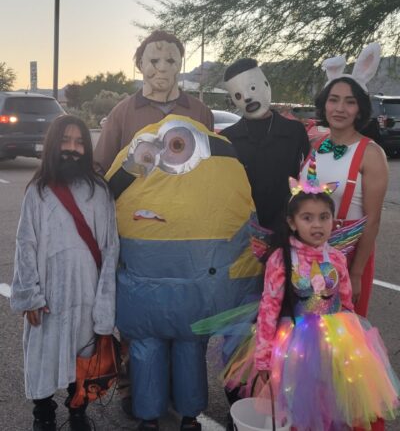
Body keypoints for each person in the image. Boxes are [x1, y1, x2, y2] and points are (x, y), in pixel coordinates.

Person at [106, 115, 263, 431]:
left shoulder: (134, 156)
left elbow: (106, 206)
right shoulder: (221, 155)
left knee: (146, 347)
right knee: (190, 348)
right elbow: (243, 232)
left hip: (142, 291)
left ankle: (148, 417)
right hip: (198, 292)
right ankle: (190, 415)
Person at [253, 180, 400, 430]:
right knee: (301, 404)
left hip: (337, 342)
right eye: (307, 218)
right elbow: (269, 307)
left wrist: (356, 341)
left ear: (333, 220)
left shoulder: (336, 257)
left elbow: (345, 302)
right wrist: (263, 357)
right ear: (292, 223)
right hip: (296, 344)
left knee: (334, 403)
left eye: (324, 217)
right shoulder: (281, 258)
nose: (317, 225)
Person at [10, 115, 119, 431]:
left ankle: (78, 410)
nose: (72, 148)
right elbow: (25, 245)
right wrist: (30, 295)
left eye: (79, 142)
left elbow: (110, 249)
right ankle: (43, 413)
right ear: (52, 145)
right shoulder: (38, 191)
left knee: (82, 358)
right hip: (47, 298)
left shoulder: (99, 192)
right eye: (65, 141)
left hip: (87, 293)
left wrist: (104, 307)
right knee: (42, 357)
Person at [300, 42, 388, 317]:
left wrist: (357, 273)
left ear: (360, 109)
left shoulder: (371, 154)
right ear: (324, 104)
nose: (340, 108)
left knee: (341, 335)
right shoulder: (314, 145)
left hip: (347, 256)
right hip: (305, 255)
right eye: (334, 99)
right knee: (306, 332)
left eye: (350, 102)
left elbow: (372, 221)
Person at [94, 29, 214, 174]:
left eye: (170, 61)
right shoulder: (121, 114)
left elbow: (211, 167)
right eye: (154, 61)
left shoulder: (201, 113)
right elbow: (100, 168)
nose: (162, 68)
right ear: (141, 64)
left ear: (180, 64)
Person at [221, 58, 310, 233]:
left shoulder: (294, 132)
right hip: (243, 233)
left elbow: (306, 180)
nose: (247, 97)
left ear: (266, 84)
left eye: (252, 88)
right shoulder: (227, 139)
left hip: (287, 231)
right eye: (238, 95)